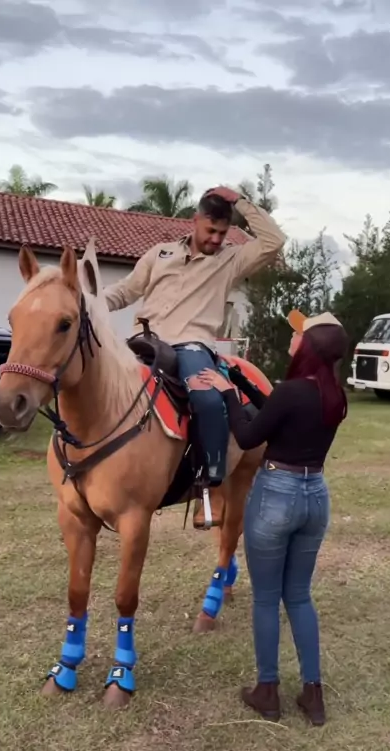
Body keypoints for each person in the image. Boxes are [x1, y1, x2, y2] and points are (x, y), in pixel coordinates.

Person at [198, 310, 349, 726]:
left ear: (309, 346)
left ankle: (267, 690)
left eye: (299, 335)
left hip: (277, 497)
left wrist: (228, 396)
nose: (292, 339)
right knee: (298, 595)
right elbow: (277, 414)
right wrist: (241, 382)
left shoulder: (291, 392)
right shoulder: (334, 395)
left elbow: (249, 435)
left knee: (266, 598)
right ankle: (313, 693)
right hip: (315, 496)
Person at [103, 186, 286, 524]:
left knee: (207, 398)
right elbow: (126, 290)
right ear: (195, 220)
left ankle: (211, 486)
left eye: (222, 233)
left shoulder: (231, 260)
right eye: (211, 230)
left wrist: (240, 203)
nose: (216, 239)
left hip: (191, 346)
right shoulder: (160, 254)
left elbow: (274, 241)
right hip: (143, 341)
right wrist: (91, 302)